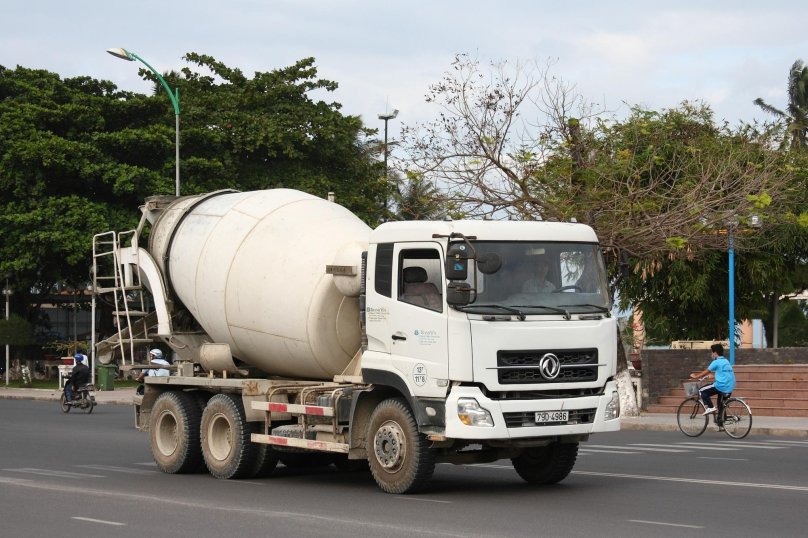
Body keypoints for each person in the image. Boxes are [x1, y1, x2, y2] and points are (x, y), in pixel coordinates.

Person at [690, 343, 736, 425]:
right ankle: (721, 423)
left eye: (712, 352)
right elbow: (724, 375)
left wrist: (696, 376)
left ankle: (710, 408)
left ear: (715, 353)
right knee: (721, 405)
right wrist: (714, 377)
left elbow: (706, 371)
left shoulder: (716, 362)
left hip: (721, 386)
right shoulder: (726, 361)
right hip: (730, 386)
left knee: (701, 390)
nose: (712, 354)